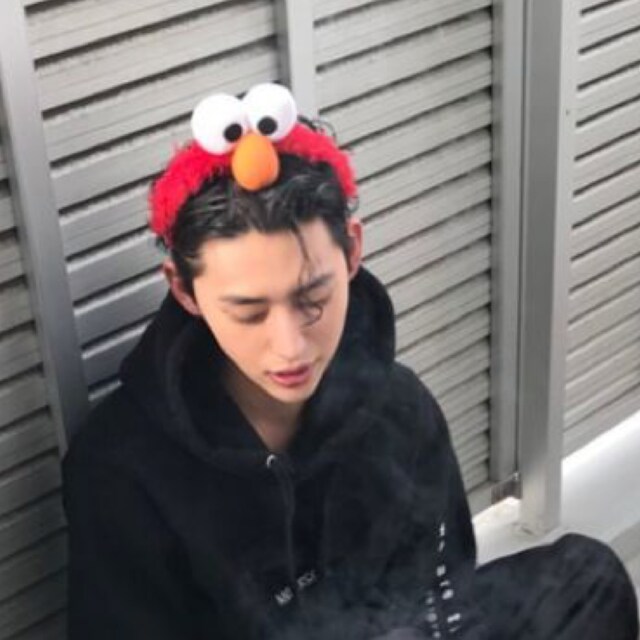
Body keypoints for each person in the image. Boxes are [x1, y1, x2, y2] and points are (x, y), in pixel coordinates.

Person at [62, 83, 639, 639]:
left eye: (312, 298)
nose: (290, 346)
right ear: (184, 290)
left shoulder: (398, 409)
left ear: (353, 251)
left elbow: (446, 594)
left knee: (584, 581)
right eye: (249, 312)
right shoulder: (122, 471)